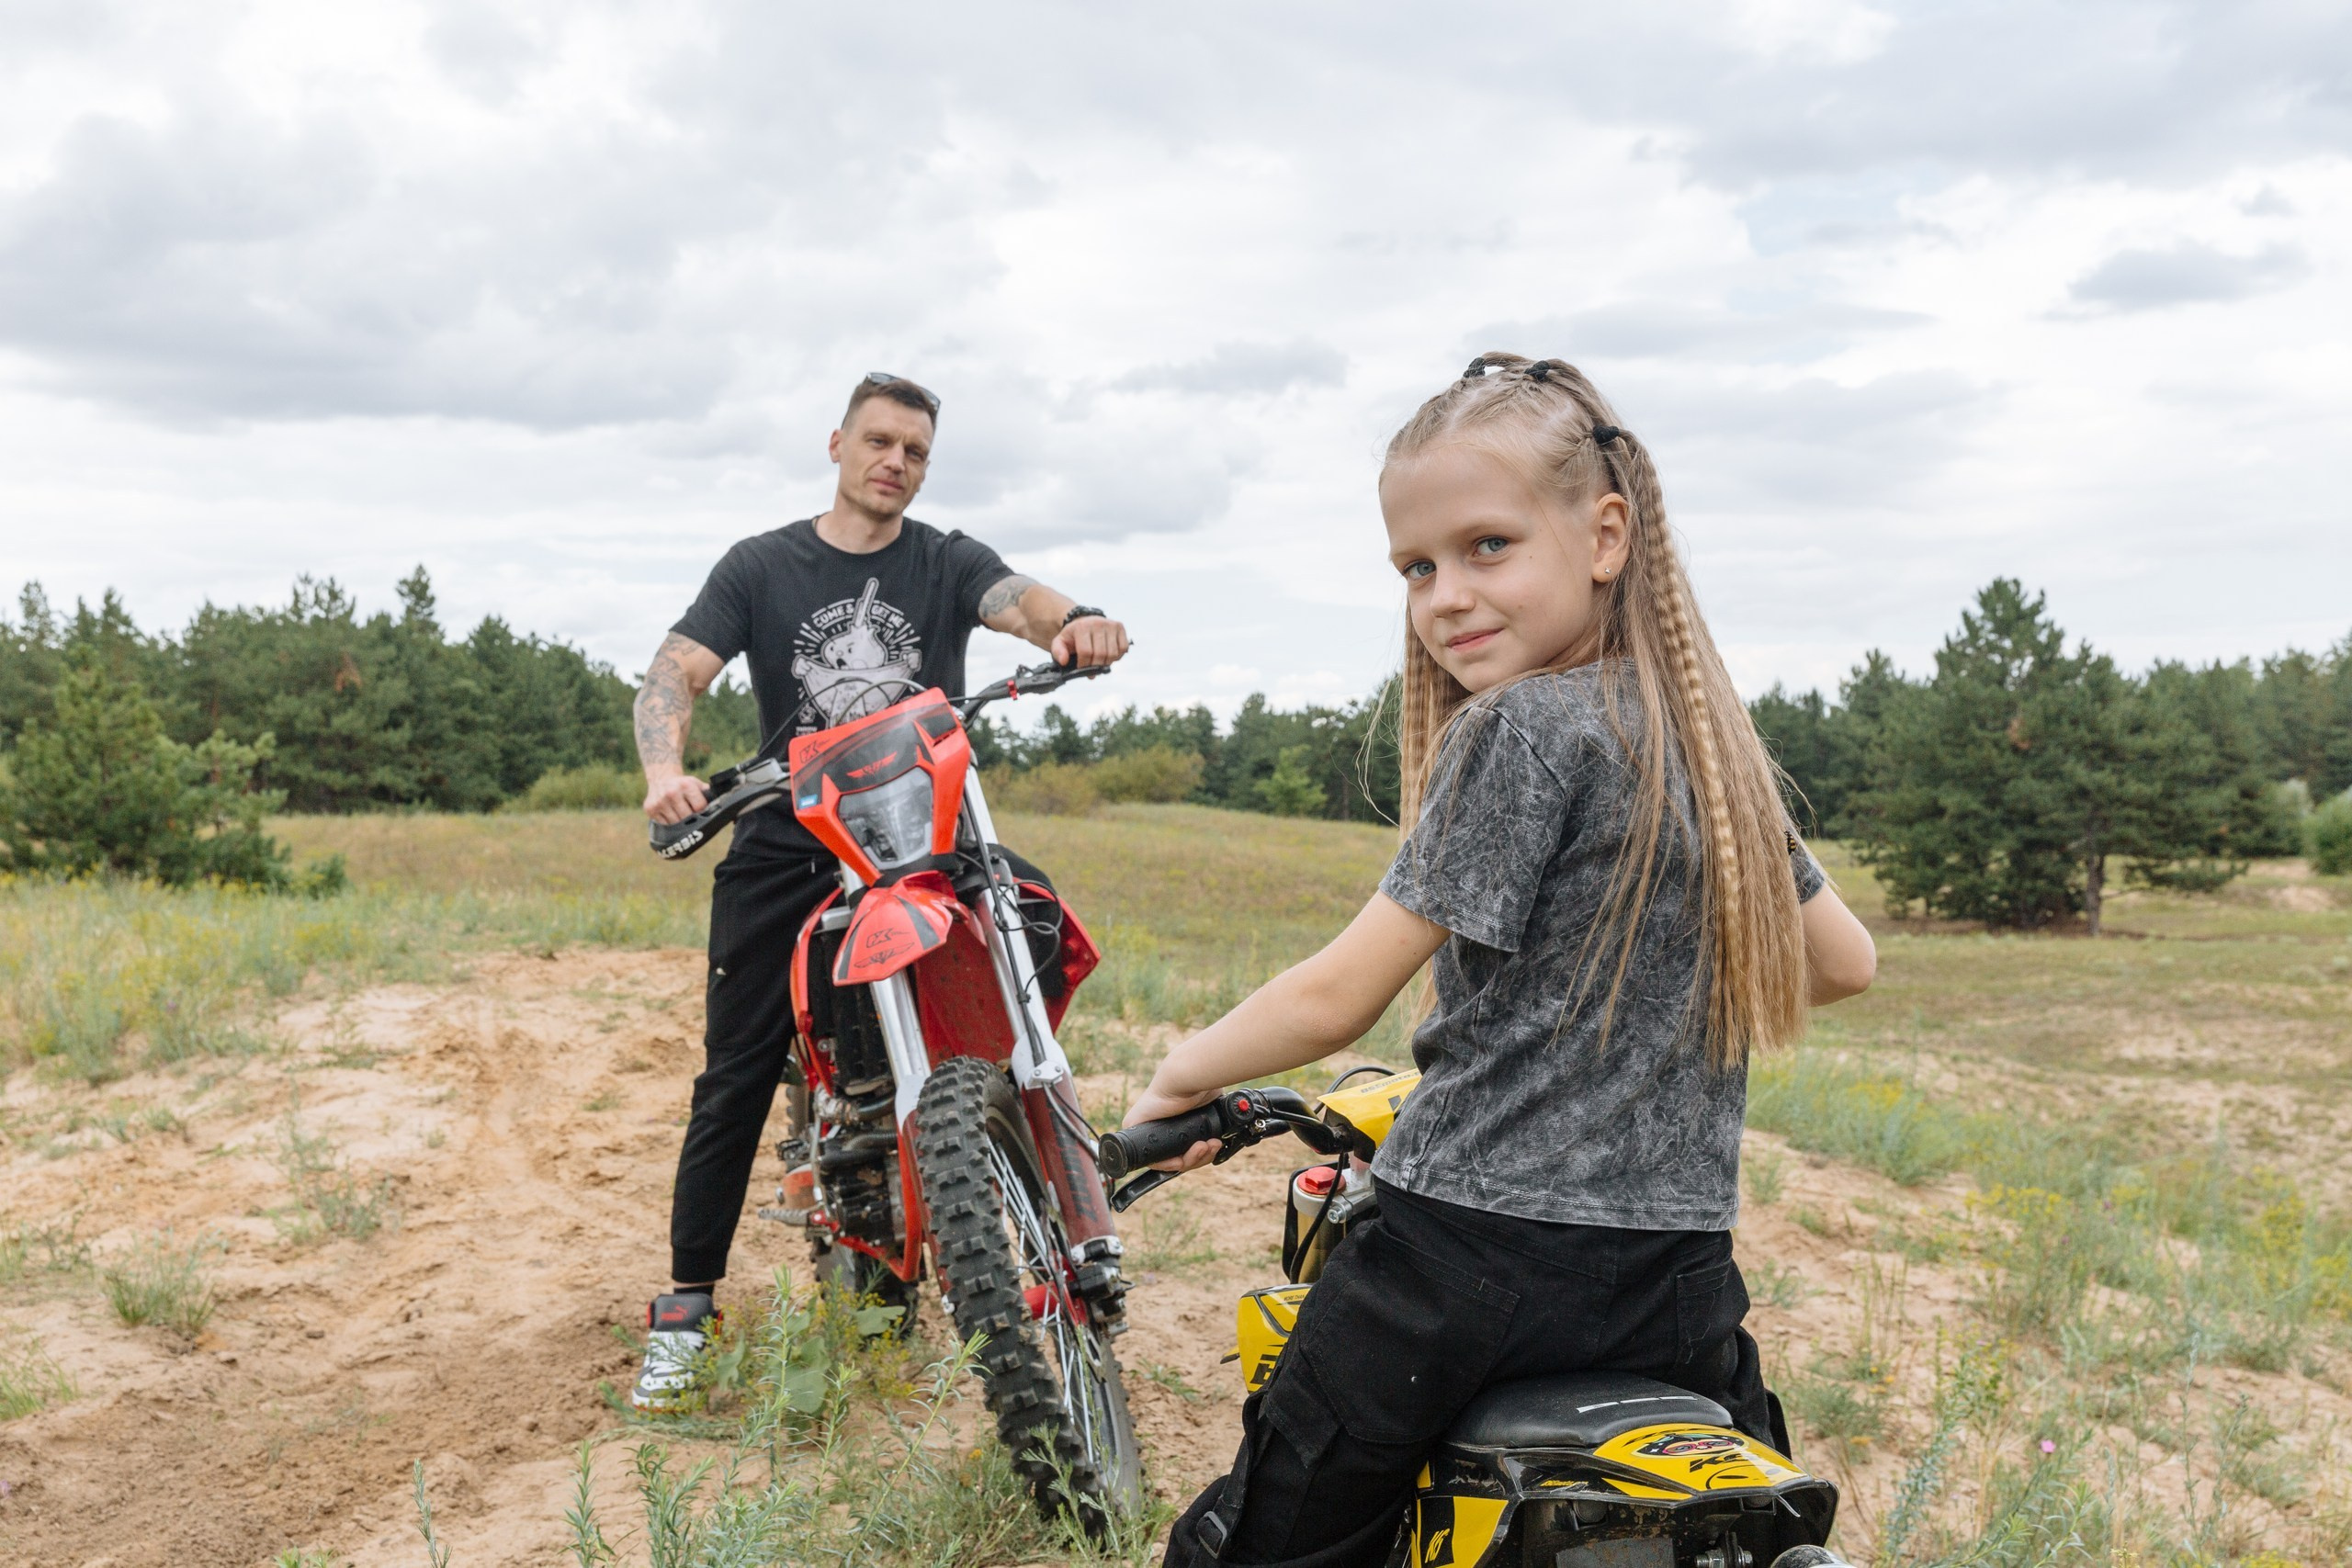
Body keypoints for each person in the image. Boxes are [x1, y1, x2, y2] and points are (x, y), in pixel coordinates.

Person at [1130, 354, 1878, 1567]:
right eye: (1416, 567)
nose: (1446, 595)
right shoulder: (1705, 742)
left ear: (1605, 535)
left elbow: (1338, 994)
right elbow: (1843, 961)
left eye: (1487, 546)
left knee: (1265, 1540)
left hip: (1462, 1262)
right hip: (1680, 1277)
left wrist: (1176, 1077)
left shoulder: (1521, 729)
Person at [629, 371, 1132, 1412]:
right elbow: (676, 671)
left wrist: (1077, 621)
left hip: (922, 836)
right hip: (789, 836)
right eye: (878, 442)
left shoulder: (945, 560)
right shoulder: (761, 564)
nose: (895, 462)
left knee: (1037, 922)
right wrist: (664, 770)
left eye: (914, 451)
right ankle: (685, 1309)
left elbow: (1022, 602)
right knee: (735, 1071)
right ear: (837, 444)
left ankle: (1022, 1168)